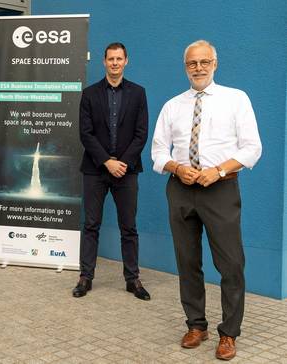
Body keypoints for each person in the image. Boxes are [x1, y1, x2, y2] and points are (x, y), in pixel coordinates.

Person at [151, 40, 262, 360]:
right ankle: (196, 325)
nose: (198, 68)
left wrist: (218, 170)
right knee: (187, 263)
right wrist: (175, 167)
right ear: (185, 67)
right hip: (181, 189)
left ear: (215, 64)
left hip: (220, 189)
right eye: (191, 63)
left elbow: (252, 147)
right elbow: (158, 151)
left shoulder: (236, 99)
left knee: (231, 264)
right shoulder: (173, 105)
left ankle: (229, 333)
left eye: (204, 62)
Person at [73, 42, 150, 300]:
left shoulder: (138, 93)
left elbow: (141, 135)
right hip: (96, 170)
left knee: (128, 227)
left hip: (127, 171)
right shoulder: (90, 93)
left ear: (126, 61)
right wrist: (107, 161)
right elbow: (85, 133)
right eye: (111, 59)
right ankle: (85, 277)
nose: (115, 63)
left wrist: (122, 163)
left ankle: (133, 279)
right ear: (104, 62)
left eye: (119, 59)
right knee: (91, 225)